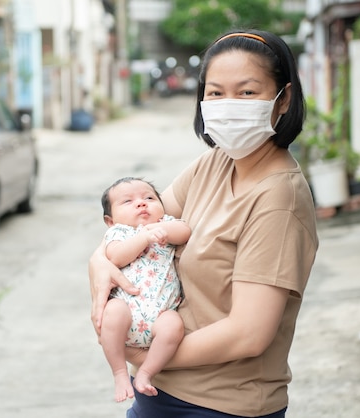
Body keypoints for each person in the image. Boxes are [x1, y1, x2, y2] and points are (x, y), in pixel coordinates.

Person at [89, 29, 319, 418]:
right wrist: (100, 262)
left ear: (284, 99)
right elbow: (140, 221)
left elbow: (248, 334)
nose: (228, 105)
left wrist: (138, 354)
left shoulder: (278, 199)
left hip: (222, 405)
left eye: (247, 92)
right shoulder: (215, 164)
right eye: (215, 93)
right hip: (158, 393)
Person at [99, 177, 191, 402]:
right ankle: (120, 373)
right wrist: (143, 237)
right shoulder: (118, 233)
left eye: (149, 198)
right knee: (113, 311)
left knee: (174, 324)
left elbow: (185, 231)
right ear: (110, 221)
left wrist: (160, 228)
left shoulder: (164, 225)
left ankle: (146, 373)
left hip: (161, 317)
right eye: (128, 201)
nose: (141, 203)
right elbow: (117, 257)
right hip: (127, 315)